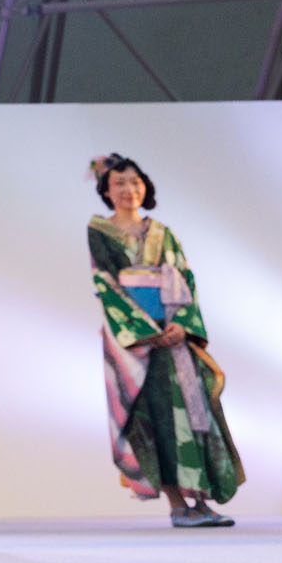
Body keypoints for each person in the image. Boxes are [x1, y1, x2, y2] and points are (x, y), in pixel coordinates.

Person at [87, 153, 241, 526]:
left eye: (135, 182)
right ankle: (176, 504)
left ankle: (200, 501)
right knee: (153, 416)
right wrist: (144, 330)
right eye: (119, 183)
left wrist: (182, 325)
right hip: (137, 342)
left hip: (173, 334)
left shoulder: (162, 232)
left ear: (145, 187)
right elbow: (104, 283)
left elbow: (185, 279)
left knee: (193, 411)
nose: (129, 189)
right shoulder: (99, 231)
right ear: (106, 190)